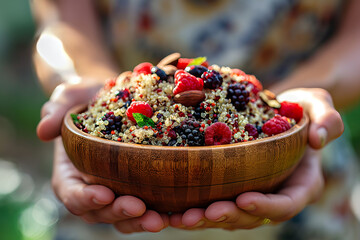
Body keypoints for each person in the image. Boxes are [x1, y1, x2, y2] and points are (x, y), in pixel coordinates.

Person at [32, 0, 360, 238]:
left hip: (294, 172)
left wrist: (303, 97)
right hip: (115, 176)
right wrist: (83, 81)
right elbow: (61, 22)